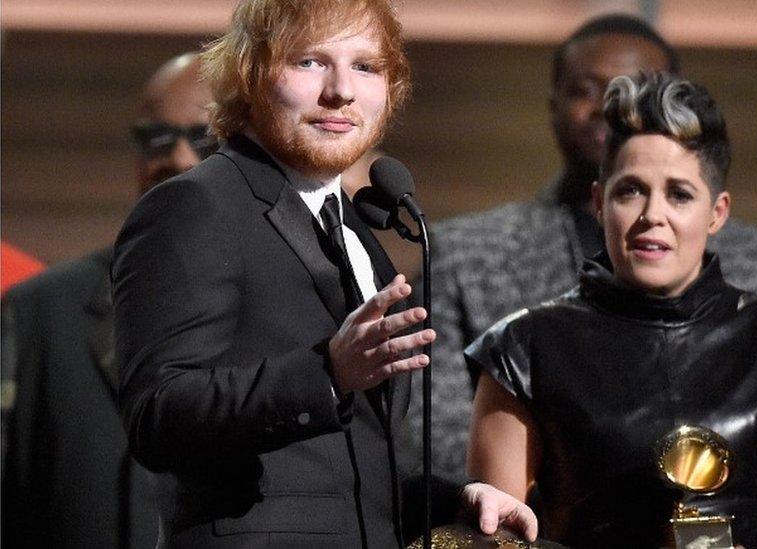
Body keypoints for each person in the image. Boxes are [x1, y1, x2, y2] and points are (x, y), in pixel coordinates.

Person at [112, 1, 535, 547]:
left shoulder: (358, 234)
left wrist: (455, 499)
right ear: (251, 75)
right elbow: (157, 416)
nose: (341, 91)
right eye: (310, 62)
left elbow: (349, 472)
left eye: (366, 66)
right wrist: (326, 374)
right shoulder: (195, 206)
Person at [465, 73, 757, 548]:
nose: (653, 215)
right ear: (598, 203)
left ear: (718, 212)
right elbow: (497, 536)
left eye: (680, 194)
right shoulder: (522, 350)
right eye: (630, 190)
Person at [425, 14, 757, 481]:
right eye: (586, 89)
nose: (610, 106)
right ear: (553, 104)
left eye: (635, 86)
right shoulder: (466, 252)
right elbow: (436, 437)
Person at [1, 52, 214, 549]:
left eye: (204, 140)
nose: (178, 159)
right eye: (157, 138)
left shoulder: (299, 299)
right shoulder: (42, 310)